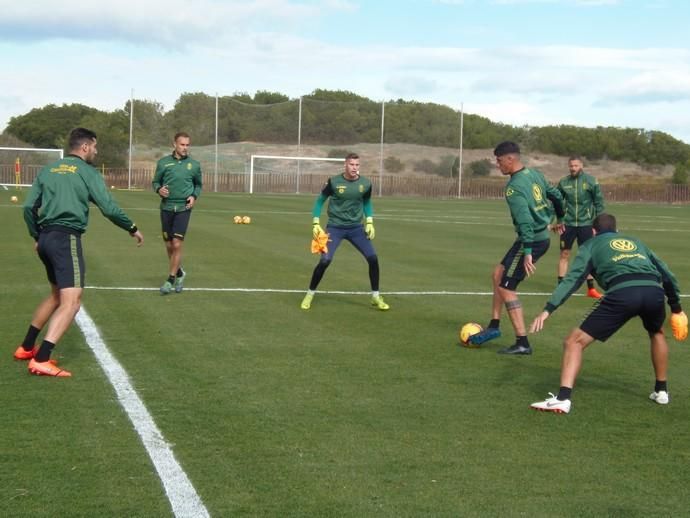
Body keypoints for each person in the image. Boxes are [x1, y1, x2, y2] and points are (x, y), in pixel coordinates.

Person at [15, 127, 144, 377]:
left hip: (46, 239)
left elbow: (29, 206)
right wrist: (132, 227)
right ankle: (42, 358)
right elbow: (108, 207)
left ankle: (26, 347)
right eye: (94, 146)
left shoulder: (49, 169)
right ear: (85, 147)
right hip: (66, 239)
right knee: (72, 302)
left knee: (56, 295)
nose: (96, 151)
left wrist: (36, 236)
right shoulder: (87, 172)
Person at [529, 213, 687, 414]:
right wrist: (677, 309)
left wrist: (548, 310)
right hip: (653, 291)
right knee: (656, 332)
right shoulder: (635, 241)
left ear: (594, 231)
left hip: (623, 293)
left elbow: (573, 279)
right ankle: (661, 391)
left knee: (573, 342)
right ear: (617, 230)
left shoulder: (591, 245)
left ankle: (563, 398)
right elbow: (666, 273)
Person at [468, 141, 564, 354]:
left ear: (510, 159)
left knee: (506, 287)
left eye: (499, 161)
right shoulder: (535, 174)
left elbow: (525, 222)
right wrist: (561, 218)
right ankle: (494, 326)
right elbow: (556, 196)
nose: (497, 165)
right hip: (536, 238)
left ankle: (523, 342)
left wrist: (528, 253)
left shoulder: (513, 188)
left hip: (531, 241)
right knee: (498, 273)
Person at [300, 153, 389, 311]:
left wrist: (369, 221)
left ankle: (376, 296)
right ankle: (309, 294)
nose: (355, 168)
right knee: (325, 261)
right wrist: (315, 223)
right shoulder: (334, 182)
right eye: (352, 165)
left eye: (357, 165)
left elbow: (367, 202)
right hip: (335, 228)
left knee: (373, 259)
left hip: (356, 228)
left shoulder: (366, 184)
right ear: (345, 165)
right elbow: (320, 201)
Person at [152, 132, 202, 295]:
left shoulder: (194, 165)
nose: (185, 148)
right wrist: (159, 189)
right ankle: (180, 273)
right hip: (166, 208)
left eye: (187, 145)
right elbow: (155, 182)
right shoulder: (163, 163)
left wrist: (194, 196)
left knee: (177, 244)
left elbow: (198, 185)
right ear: (174, 144)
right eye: (182, 144)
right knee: (168, 245)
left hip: (183, 208)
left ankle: (171, 279)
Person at [556, 156, 605, 298]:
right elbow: (557, 202)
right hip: (568, 224)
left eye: (576, 166)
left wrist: (598, 224)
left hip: (586, 224)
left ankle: (591, 289)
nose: (573, 168)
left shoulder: (591, 181)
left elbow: (599, 203)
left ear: (581, 165)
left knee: (587, 257)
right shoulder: (564, 182)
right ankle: (561, 287)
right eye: (571, 166)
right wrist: (559, 220)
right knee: (564, 254)